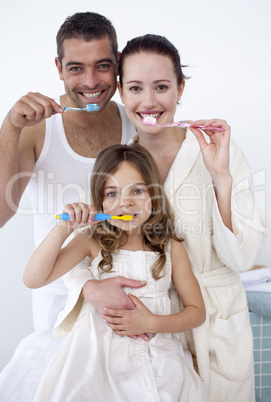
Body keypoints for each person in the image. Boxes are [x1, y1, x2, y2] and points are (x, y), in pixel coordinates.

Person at [64, 34, 267, 401]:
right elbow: (85, 240)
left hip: (216, 323)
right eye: (136, 88)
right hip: (148, 333)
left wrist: (221, 178)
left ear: (180, 89)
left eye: (161, 87)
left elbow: (243, 258)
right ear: (122, 92)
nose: (149, 101)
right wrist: (88, 287)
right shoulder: (121, 163)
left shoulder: (218, 152)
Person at [0, 11, 145, 401]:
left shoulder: (136, 121)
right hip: (59, 303)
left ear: (118, 65)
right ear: (58, 68)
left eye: (103, 66)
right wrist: (10, 127)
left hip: (129, 299)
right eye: (76, 68)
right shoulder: (35, 128)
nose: (91, 82)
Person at [24, 143, 208, 401]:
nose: (126, 202)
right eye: (112, 194)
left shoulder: (171, 248)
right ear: (99, 201)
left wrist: (151, 323)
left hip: (159, 355)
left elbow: (197, 313)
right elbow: (33, 279)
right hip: (98, 358)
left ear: (154, 196)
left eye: (137, 190)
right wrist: (62, 229)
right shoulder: (91, 240)